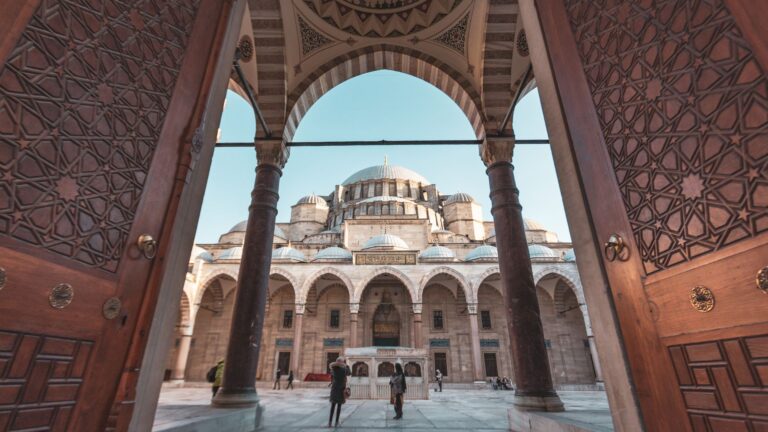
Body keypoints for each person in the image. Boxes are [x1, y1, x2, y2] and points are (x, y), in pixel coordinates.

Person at [328, 357, 349, 427]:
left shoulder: (333, 369)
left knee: (333, 406)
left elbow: (331, 368)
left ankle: (330, 422)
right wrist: (346, 365)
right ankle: (336, 422)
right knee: (339, 406)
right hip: (341, 389)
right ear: (342, 362)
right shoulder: (344, 370)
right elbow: (349, 373)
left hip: (334, 389)